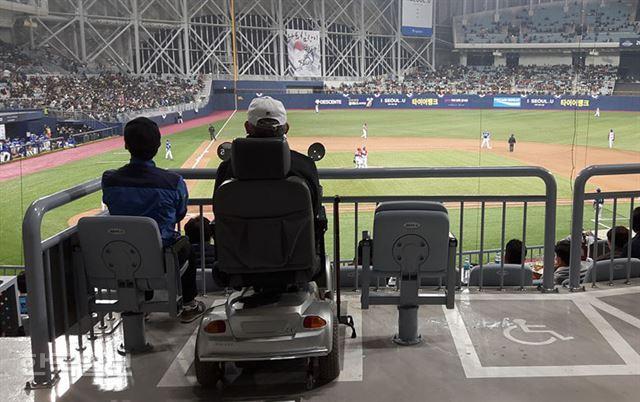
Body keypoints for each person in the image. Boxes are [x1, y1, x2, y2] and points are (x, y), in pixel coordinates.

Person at [102, 117, 204, 322]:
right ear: (157, 145)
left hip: (119, 254)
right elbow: (180, 213)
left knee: (136, 253)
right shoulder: (173, 181)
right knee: (186, 248)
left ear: (126, 145)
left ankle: (142, 304)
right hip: (161, 254)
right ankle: (189, 304)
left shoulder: (109, 179)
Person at [214, 96, 323, 224]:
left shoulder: (227, 168)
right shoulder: (305, 166)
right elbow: (314, 210)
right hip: (292, 243)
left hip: (239, 243)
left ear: (247, 127)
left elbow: (219, 211)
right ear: (286, 128)